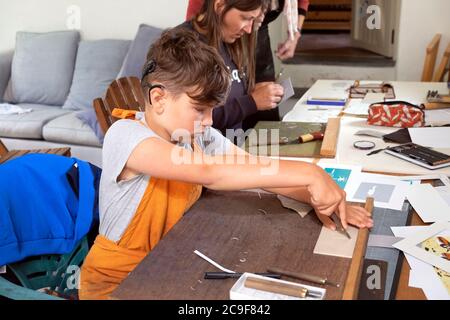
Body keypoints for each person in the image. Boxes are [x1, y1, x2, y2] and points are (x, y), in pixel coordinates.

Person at [79, 28, 373, 300]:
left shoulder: (196, 135)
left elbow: (255, 171)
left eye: (211, 111)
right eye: (199, 110)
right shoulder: (126, 136)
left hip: (169, 263)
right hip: (119, 285)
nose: (208, 121)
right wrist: (310, 173)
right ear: (159, 98)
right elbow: (210, 173)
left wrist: (318, 197)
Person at [186, 0, 310, 129]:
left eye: (254, 18)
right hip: (208, 31)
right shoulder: (193, 45)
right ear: (219, 6)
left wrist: (295, 35)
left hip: (231, 140)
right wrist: (252, 102)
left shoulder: (243, 32)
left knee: (263, 100)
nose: (249, 30)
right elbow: (198, 118)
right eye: (245, 18)